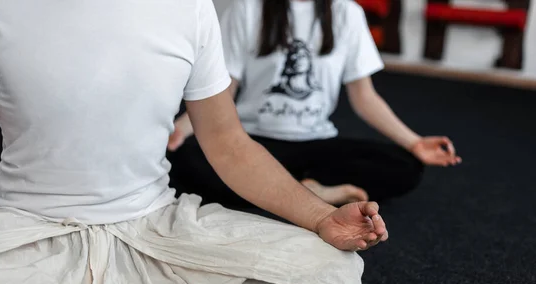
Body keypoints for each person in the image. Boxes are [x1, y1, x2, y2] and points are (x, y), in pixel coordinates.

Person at [0, 0, 387, 284]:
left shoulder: (189, 7)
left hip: (154, 228)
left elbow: (228, 145)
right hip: (29, 230)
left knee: (334, 273)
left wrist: (321, 217)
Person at [167, 0, 462, 208]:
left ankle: (292, 191)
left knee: (405, 166)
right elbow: (222, 90)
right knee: (183, 161)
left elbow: (364, 97)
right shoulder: (247, 9)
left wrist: (415, 143)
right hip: (252, 144)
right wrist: (179, 130)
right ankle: (306, 193)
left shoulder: (347, 13)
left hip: (317, 143)